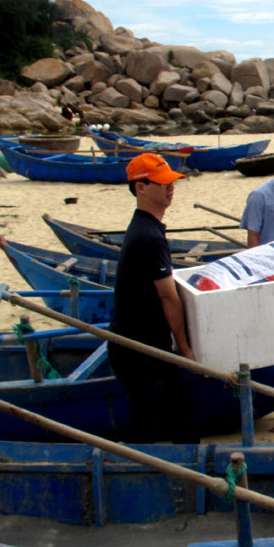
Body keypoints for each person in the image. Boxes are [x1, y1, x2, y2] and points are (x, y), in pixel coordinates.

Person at [107, 153, 198, 444]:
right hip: (140, 349)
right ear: (140, 188)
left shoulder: (144, 228)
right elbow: (169, 297)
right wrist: (184, 347)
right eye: (161, 183)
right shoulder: (150, 237)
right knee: (156, 423)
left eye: (171, 182)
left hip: (139, 344)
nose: (169, 188)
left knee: (173, 418)